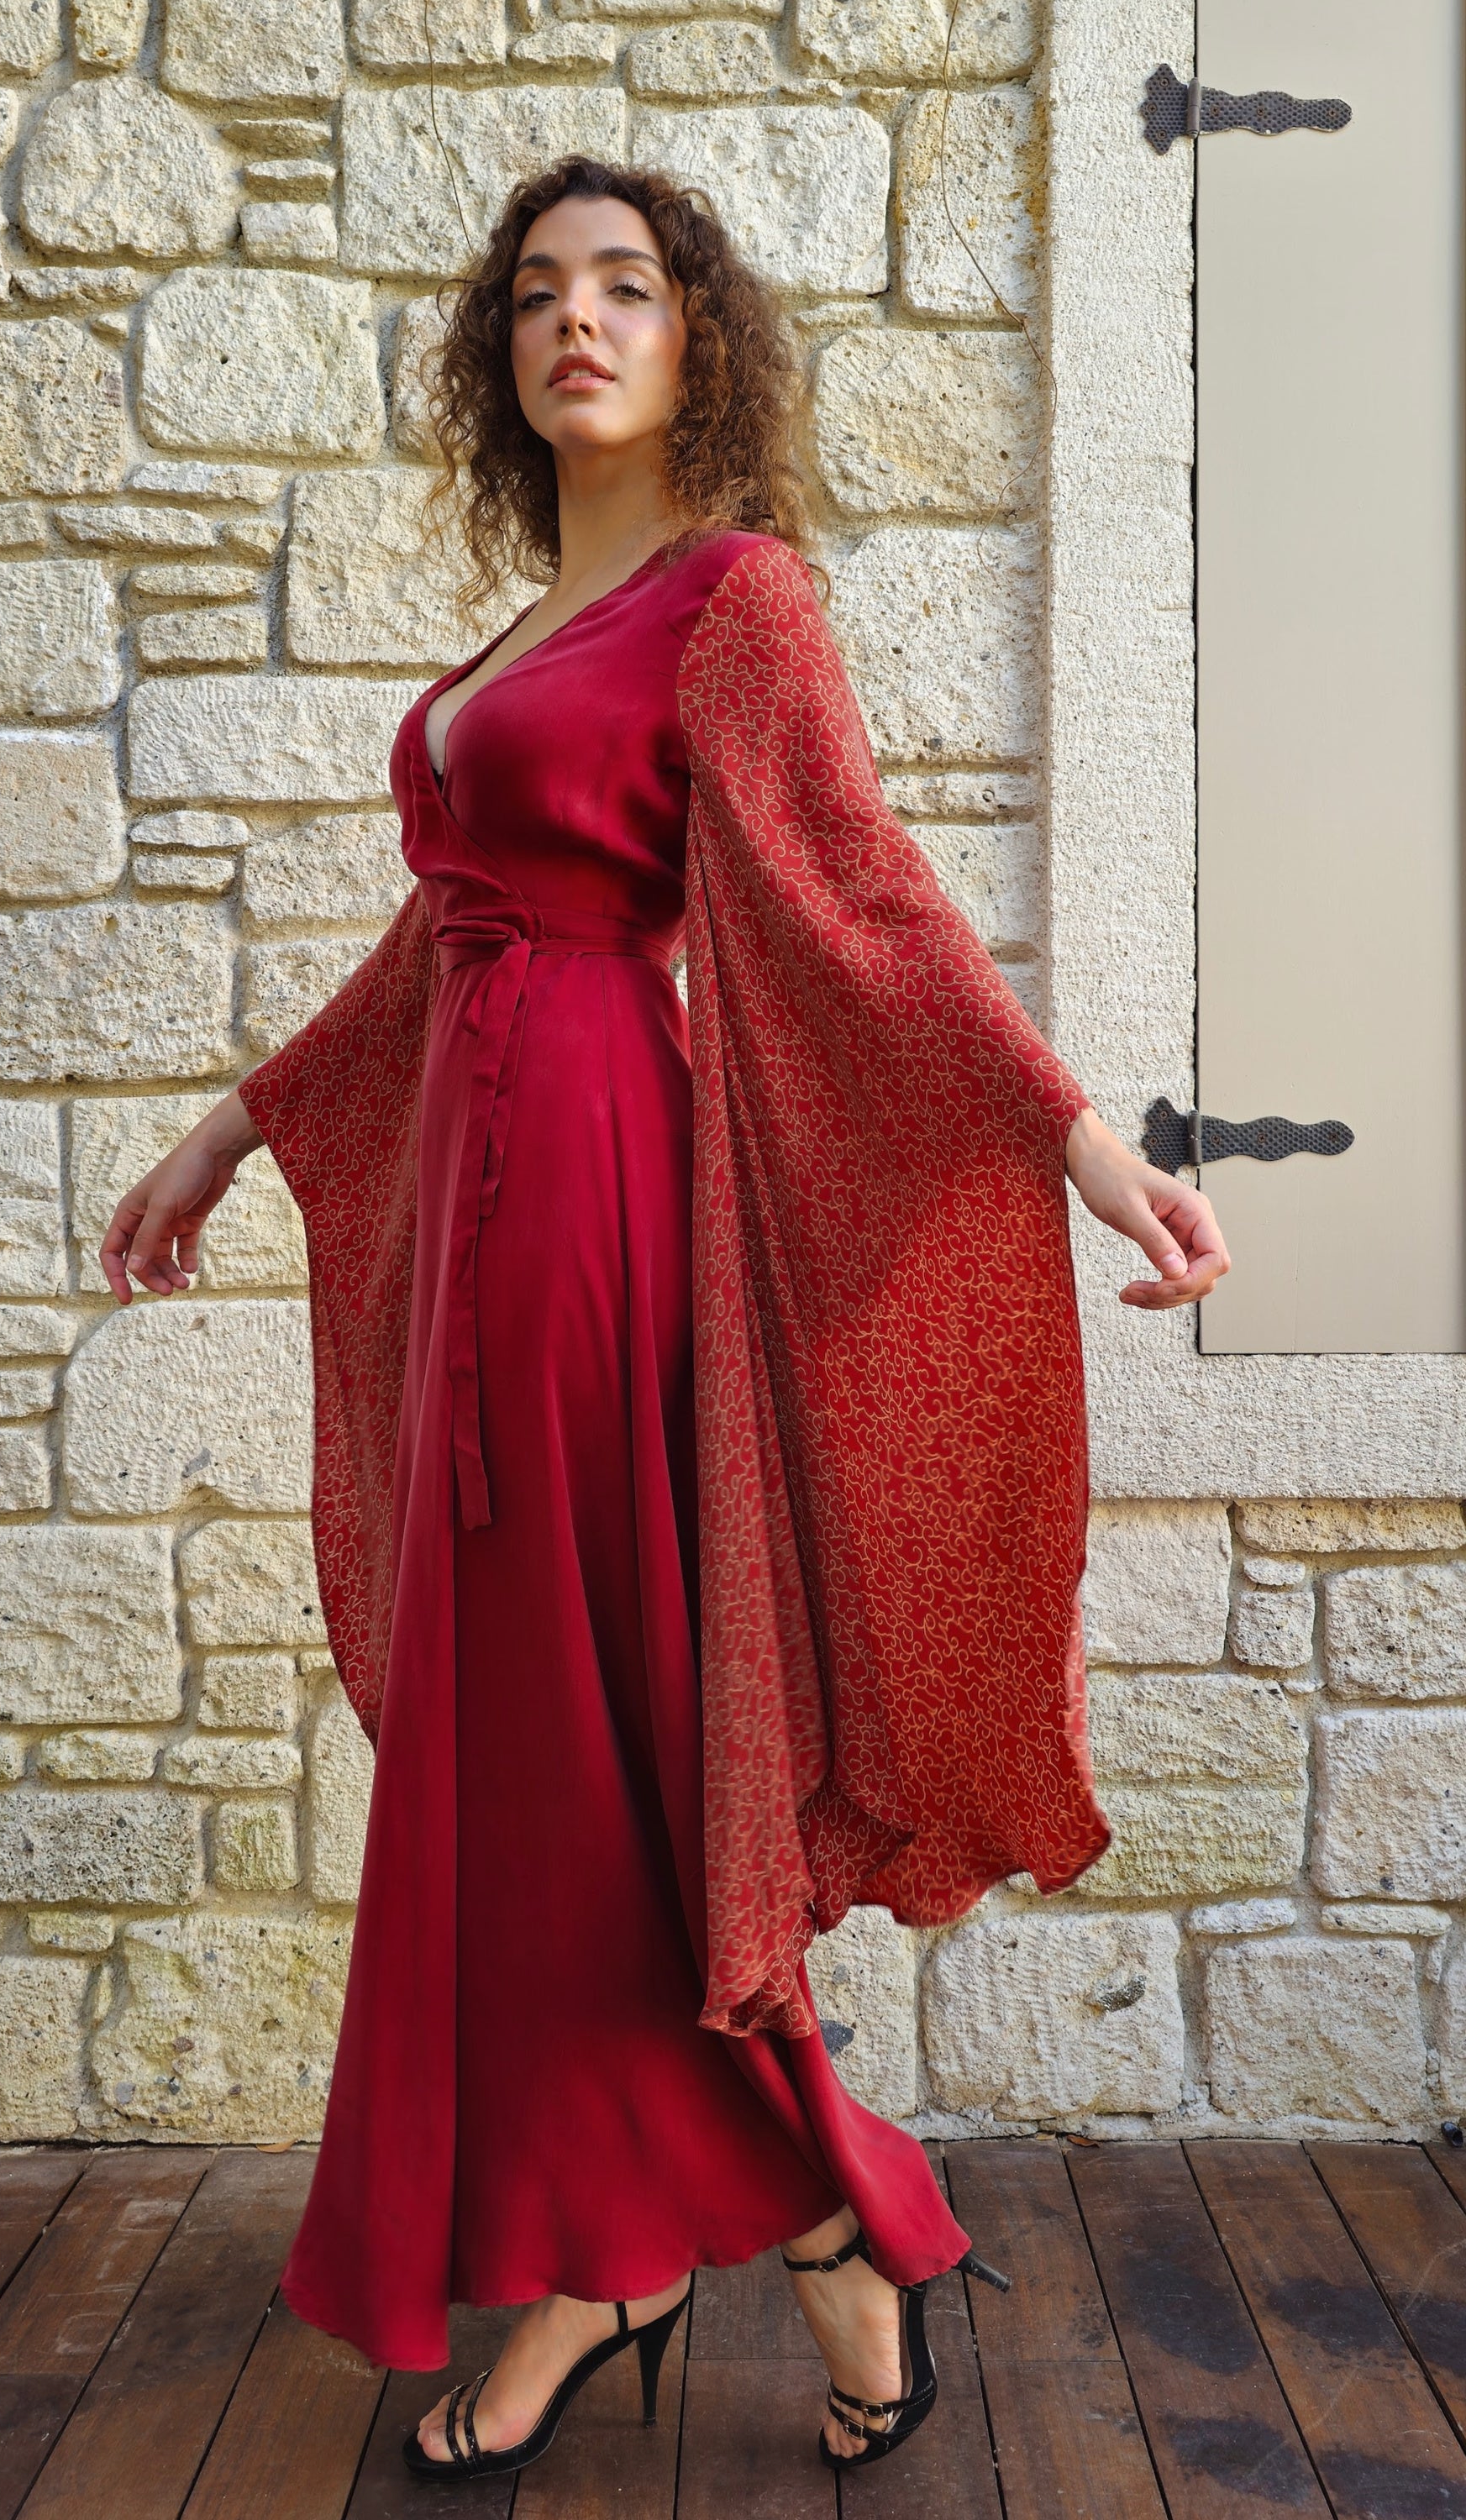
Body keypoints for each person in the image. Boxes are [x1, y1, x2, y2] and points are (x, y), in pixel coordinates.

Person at [101, 156, 1229, 2478]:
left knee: (609, 1761)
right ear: (497, 355)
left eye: (628, 286)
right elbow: (443, 936)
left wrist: (1077, 1143)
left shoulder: (735, 599)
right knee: (533, 1775)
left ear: (699, 339)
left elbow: (866, 902)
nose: (577, 320)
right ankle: (698, 2244)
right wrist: (231, 1130)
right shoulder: (526, 636)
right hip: (477, 1228)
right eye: (537, 292)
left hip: (601, 1203)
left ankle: (756, 2234)